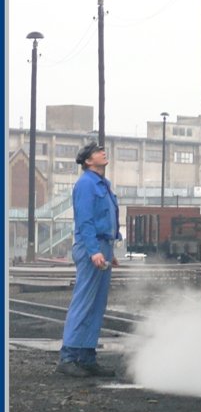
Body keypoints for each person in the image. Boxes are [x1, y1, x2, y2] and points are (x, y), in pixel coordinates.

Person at [56, 142, 121, 377]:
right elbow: (85, 220)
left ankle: (86, 356)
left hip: (102, 246)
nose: (103, 153)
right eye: (97, 151)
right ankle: (69, 356)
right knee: (84, 301)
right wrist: (94, 250)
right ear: (87, 161)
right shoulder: (86, 184)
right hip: (90, 246)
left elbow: (109, 215)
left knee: (96, 304)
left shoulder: (103, 184)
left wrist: (109, 250)